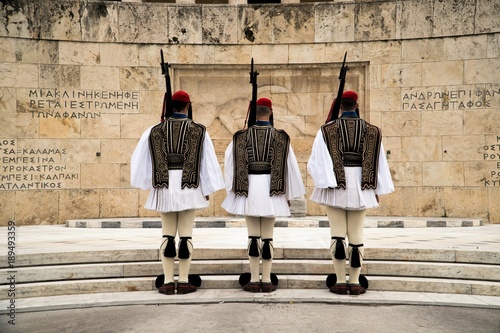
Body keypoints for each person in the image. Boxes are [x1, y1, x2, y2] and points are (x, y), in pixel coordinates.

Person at [130, 90, 224, 295]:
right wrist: (206, 189)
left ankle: (166, 281)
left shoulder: (153, 130)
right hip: (189, 187)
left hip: (163, 187)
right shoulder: (199, 130)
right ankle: (182, 281)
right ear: (187, 106)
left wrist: (150, 183)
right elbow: (207, 162)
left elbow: (140, 161)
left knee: (167, 235)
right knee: (186, 236)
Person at [307, 90, 394, 295]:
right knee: (356, 237)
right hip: (362, 187)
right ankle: (354, 282)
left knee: (337, 236)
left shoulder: (326, 130)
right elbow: (379, 162)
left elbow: (316, 161)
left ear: (340, 106)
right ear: (356, 105)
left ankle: (338, 281)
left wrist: (324, 182)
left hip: (335, 185)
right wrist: (376, 188)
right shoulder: (373, 130)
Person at [222, 97, 305, 293]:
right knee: (268, 238)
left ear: (253, 112)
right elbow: (290, 167)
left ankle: (252, 279)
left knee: (252, 237)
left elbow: (229, 164)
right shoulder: (281, 136)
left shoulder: (240, 136)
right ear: (271, 112)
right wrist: (289, 194)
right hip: (272, 191)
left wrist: (232, 190)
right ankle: (266, 280)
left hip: (248, 189)